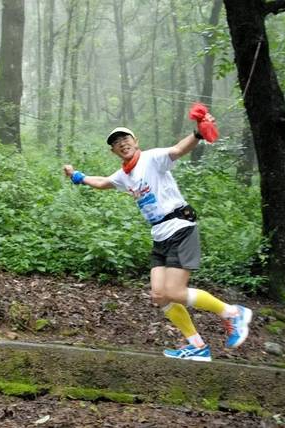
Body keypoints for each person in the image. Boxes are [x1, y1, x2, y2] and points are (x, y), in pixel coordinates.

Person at [62, 121, 252, 362]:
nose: (122, 143)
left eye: (125, 139)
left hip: (180, 227)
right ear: (113, 151)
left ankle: (233, 312)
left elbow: (177, 150)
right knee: (160, 295)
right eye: (116, 143)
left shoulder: (151, 158)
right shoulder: (124, 174)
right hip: (160, 235)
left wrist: (197, 133)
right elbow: (102, 183)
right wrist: (76, 176)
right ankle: (197, 346)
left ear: (135, 141)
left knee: (175, 291)